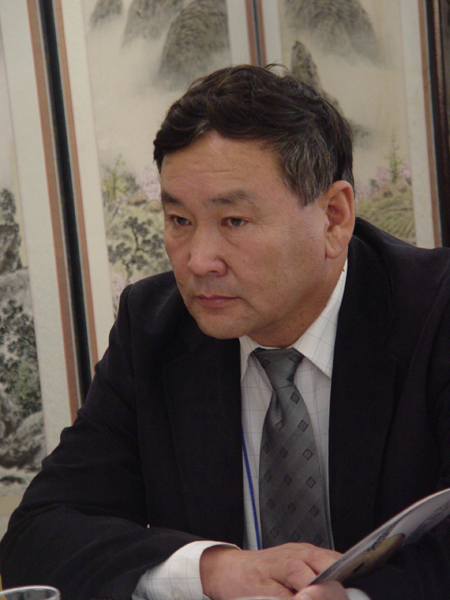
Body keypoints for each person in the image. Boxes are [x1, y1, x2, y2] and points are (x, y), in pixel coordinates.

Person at [1, 65, 450, 600]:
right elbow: (39, 533)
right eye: (179, 221)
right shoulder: (154, 327)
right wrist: (214, 570)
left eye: (234, 221)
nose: (198, 261)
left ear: (333, 218)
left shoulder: (435, 313)